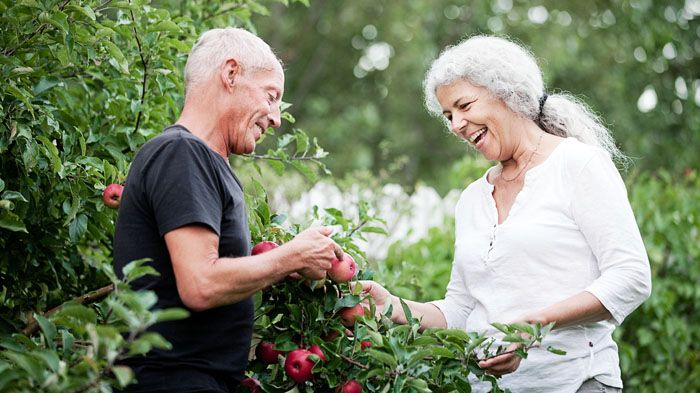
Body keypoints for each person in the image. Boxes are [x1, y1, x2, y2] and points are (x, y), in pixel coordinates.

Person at [359, 36, 651, 393]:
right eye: (448, 115)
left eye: (464, 105)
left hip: (575, 382)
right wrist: (392, 305)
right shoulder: (472, 199)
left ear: (507, 92)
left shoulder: (577, 164)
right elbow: (461, 308)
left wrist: (535, 324)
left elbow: (631, 276)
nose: (455, 125)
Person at [113, 28, 342, 393]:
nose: (276, 118)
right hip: (174, 381)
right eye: (271, 96)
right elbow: (201, 284)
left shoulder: (199, 162)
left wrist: (288, 264)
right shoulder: (181, 153)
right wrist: (289, 257)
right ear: (231, 74)